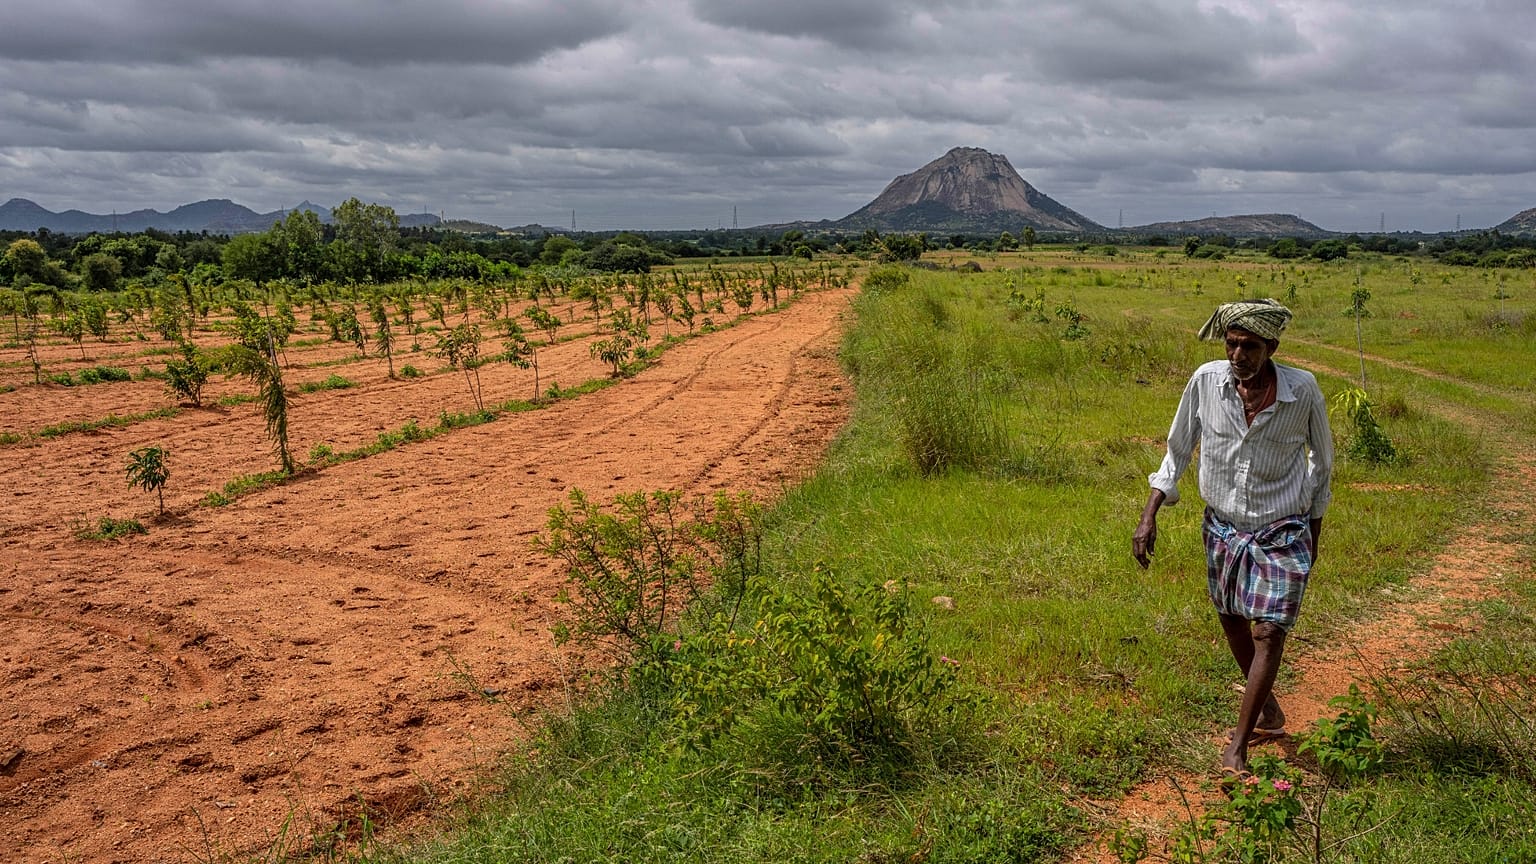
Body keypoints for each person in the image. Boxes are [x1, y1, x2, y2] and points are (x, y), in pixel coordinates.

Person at [1132, 299, 1333, 778]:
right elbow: (1178, 449)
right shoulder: (1207, 382)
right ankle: (1268, 710)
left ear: (1272, 348)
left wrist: (1314, 538)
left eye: (1251, 346)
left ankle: (1238, 746)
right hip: (1222, 524)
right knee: (1232, 621)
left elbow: (1321, 466)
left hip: (1283, 528)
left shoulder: (1301, 392)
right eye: (1232, 343)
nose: (1239, 354)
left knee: (1269, 631)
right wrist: (1149, 515)